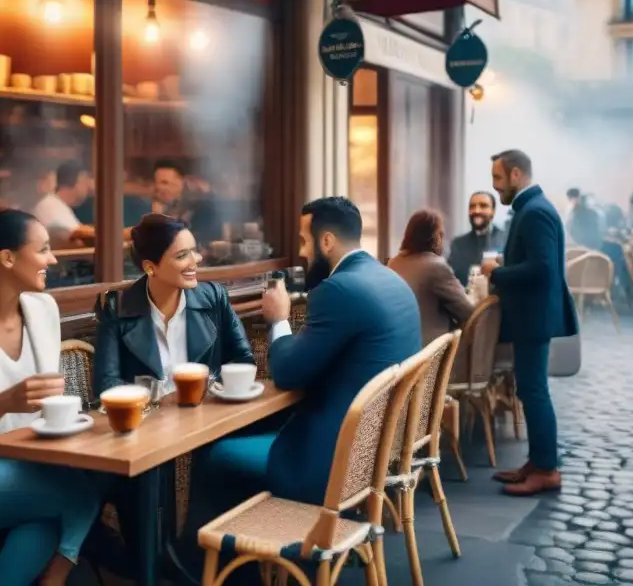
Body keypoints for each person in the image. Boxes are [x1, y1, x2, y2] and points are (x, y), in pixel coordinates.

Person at [191, 197, 420, 519]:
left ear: (326, 240)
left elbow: (286, 372)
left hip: (330, 460)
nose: (302, 251)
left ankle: (208, 563)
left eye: (303, 240)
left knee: (214, 455)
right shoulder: (391, 280)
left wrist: (279, 319)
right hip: (375, 452)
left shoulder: (339, 289)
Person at [0, 196, 101, 586]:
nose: (54, 260)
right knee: (77, 493)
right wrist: (2, 403)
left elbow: (45, 409)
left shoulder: (43, 310)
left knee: (47, 520)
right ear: (7, 258)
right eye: (43, 249)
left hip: (20, 464)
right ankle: (57, 578)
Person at [481, 150, 578, 496]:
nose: (494, 187)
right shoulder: (532, 209)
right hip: (531, 315)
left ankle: (547, 470)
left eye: (498, 178)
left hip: (533, 317)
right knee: (529, 390)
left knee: (534, 392)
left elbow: (542, 269)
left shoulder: (535, 212)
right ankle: (537, 462)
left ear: (517, 175)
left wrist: (498, 272)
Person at [92, 214, 255, 396]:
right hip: (148, 421)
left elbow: (243, 360)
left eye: (194, 251)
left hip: (208, 415)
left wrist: (211, 394)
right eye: (182, 255)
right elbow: (106, 386)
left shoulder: (214, 298)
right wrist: (157, 404)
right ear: (150, 267)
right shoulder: (117, 308)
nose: (196, 260)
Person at [388, 209, 474, 347]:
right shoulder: (436, 266)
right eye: (441, 234)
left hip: (400, 347)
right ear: (435, 237)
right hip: (430, 355)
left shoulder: (394, 262)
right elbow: (468, 312)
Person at [446, 191, 506, 285]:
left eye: (483, 206)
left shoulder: (506, 239)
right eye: (472, 206)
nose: (477, 211)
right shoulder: (458, 244)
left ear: (493, 211)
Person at [31, 161, 95, 247]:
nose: (89, 188)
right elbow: (79, 239)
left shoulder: (57, 204)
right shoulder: (49, 206)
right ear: (78, 182)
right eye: (85, 182)